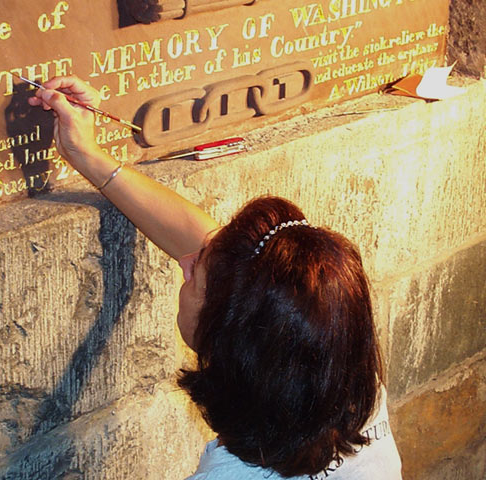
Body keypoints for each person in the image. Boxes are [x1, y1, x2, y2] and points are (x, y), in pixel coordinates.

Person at [28, 76, 403, 479]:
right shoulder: (345, 391)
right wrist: (86, 153)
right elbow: (220, 254)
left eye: (197, 272)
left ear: (232, 334)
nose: (184, 262)